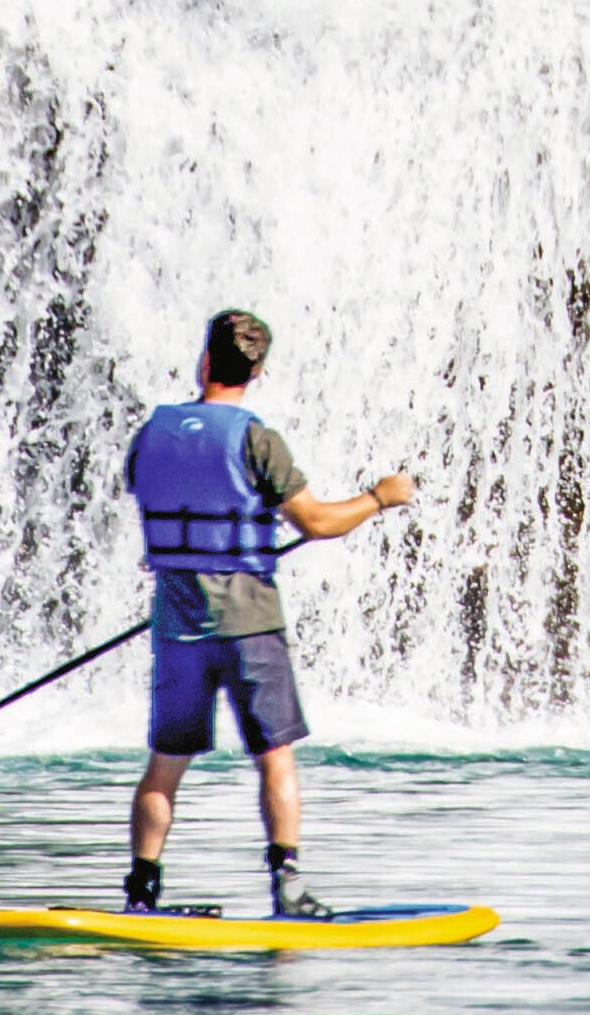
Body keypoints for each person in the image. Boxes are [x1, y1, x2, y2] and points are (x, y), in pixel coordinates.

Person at [120, 306, 416, 917]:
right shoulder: (257, 438)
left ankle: (142, 893)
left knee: (164, 766)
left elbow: (148, 493)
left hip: (177, 625)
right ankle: (287, 889)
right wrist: (379, 498)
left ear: (204, 361)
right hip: (251, 623)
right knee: (274, 755)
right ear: (258, 372)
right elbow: (317, 522)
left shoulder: (151, 433)